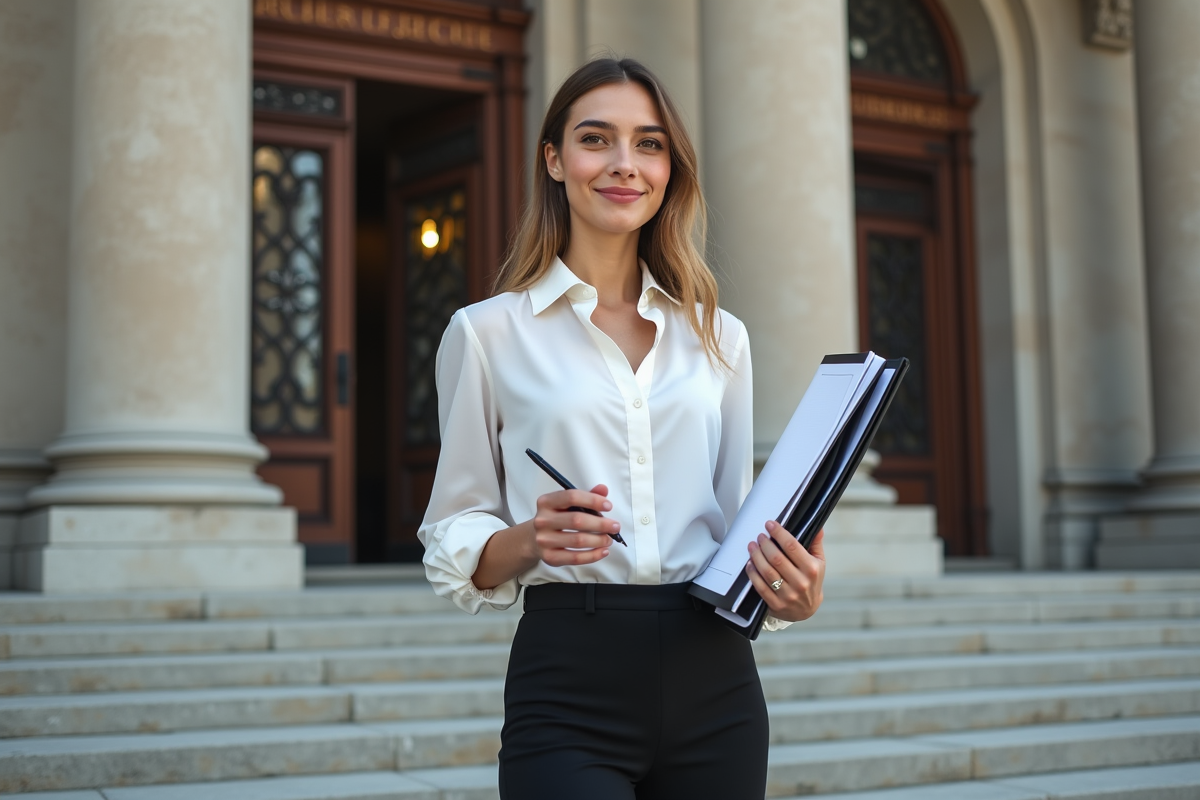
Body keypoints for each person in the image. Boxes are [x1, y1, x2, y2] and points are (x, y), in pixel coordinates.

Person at [418, 57, 827, 800]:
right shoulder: (486, 334)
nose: (623, 165)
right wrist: (525, 540)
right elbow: (454, 532)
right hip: (568, 674)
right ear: (554, 159)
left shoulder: (719, 337)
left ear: (670, 167)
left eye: (649, 144)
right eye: (596, 139)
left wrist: (791, 590)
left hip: (718, 680)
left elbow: (739, 520)